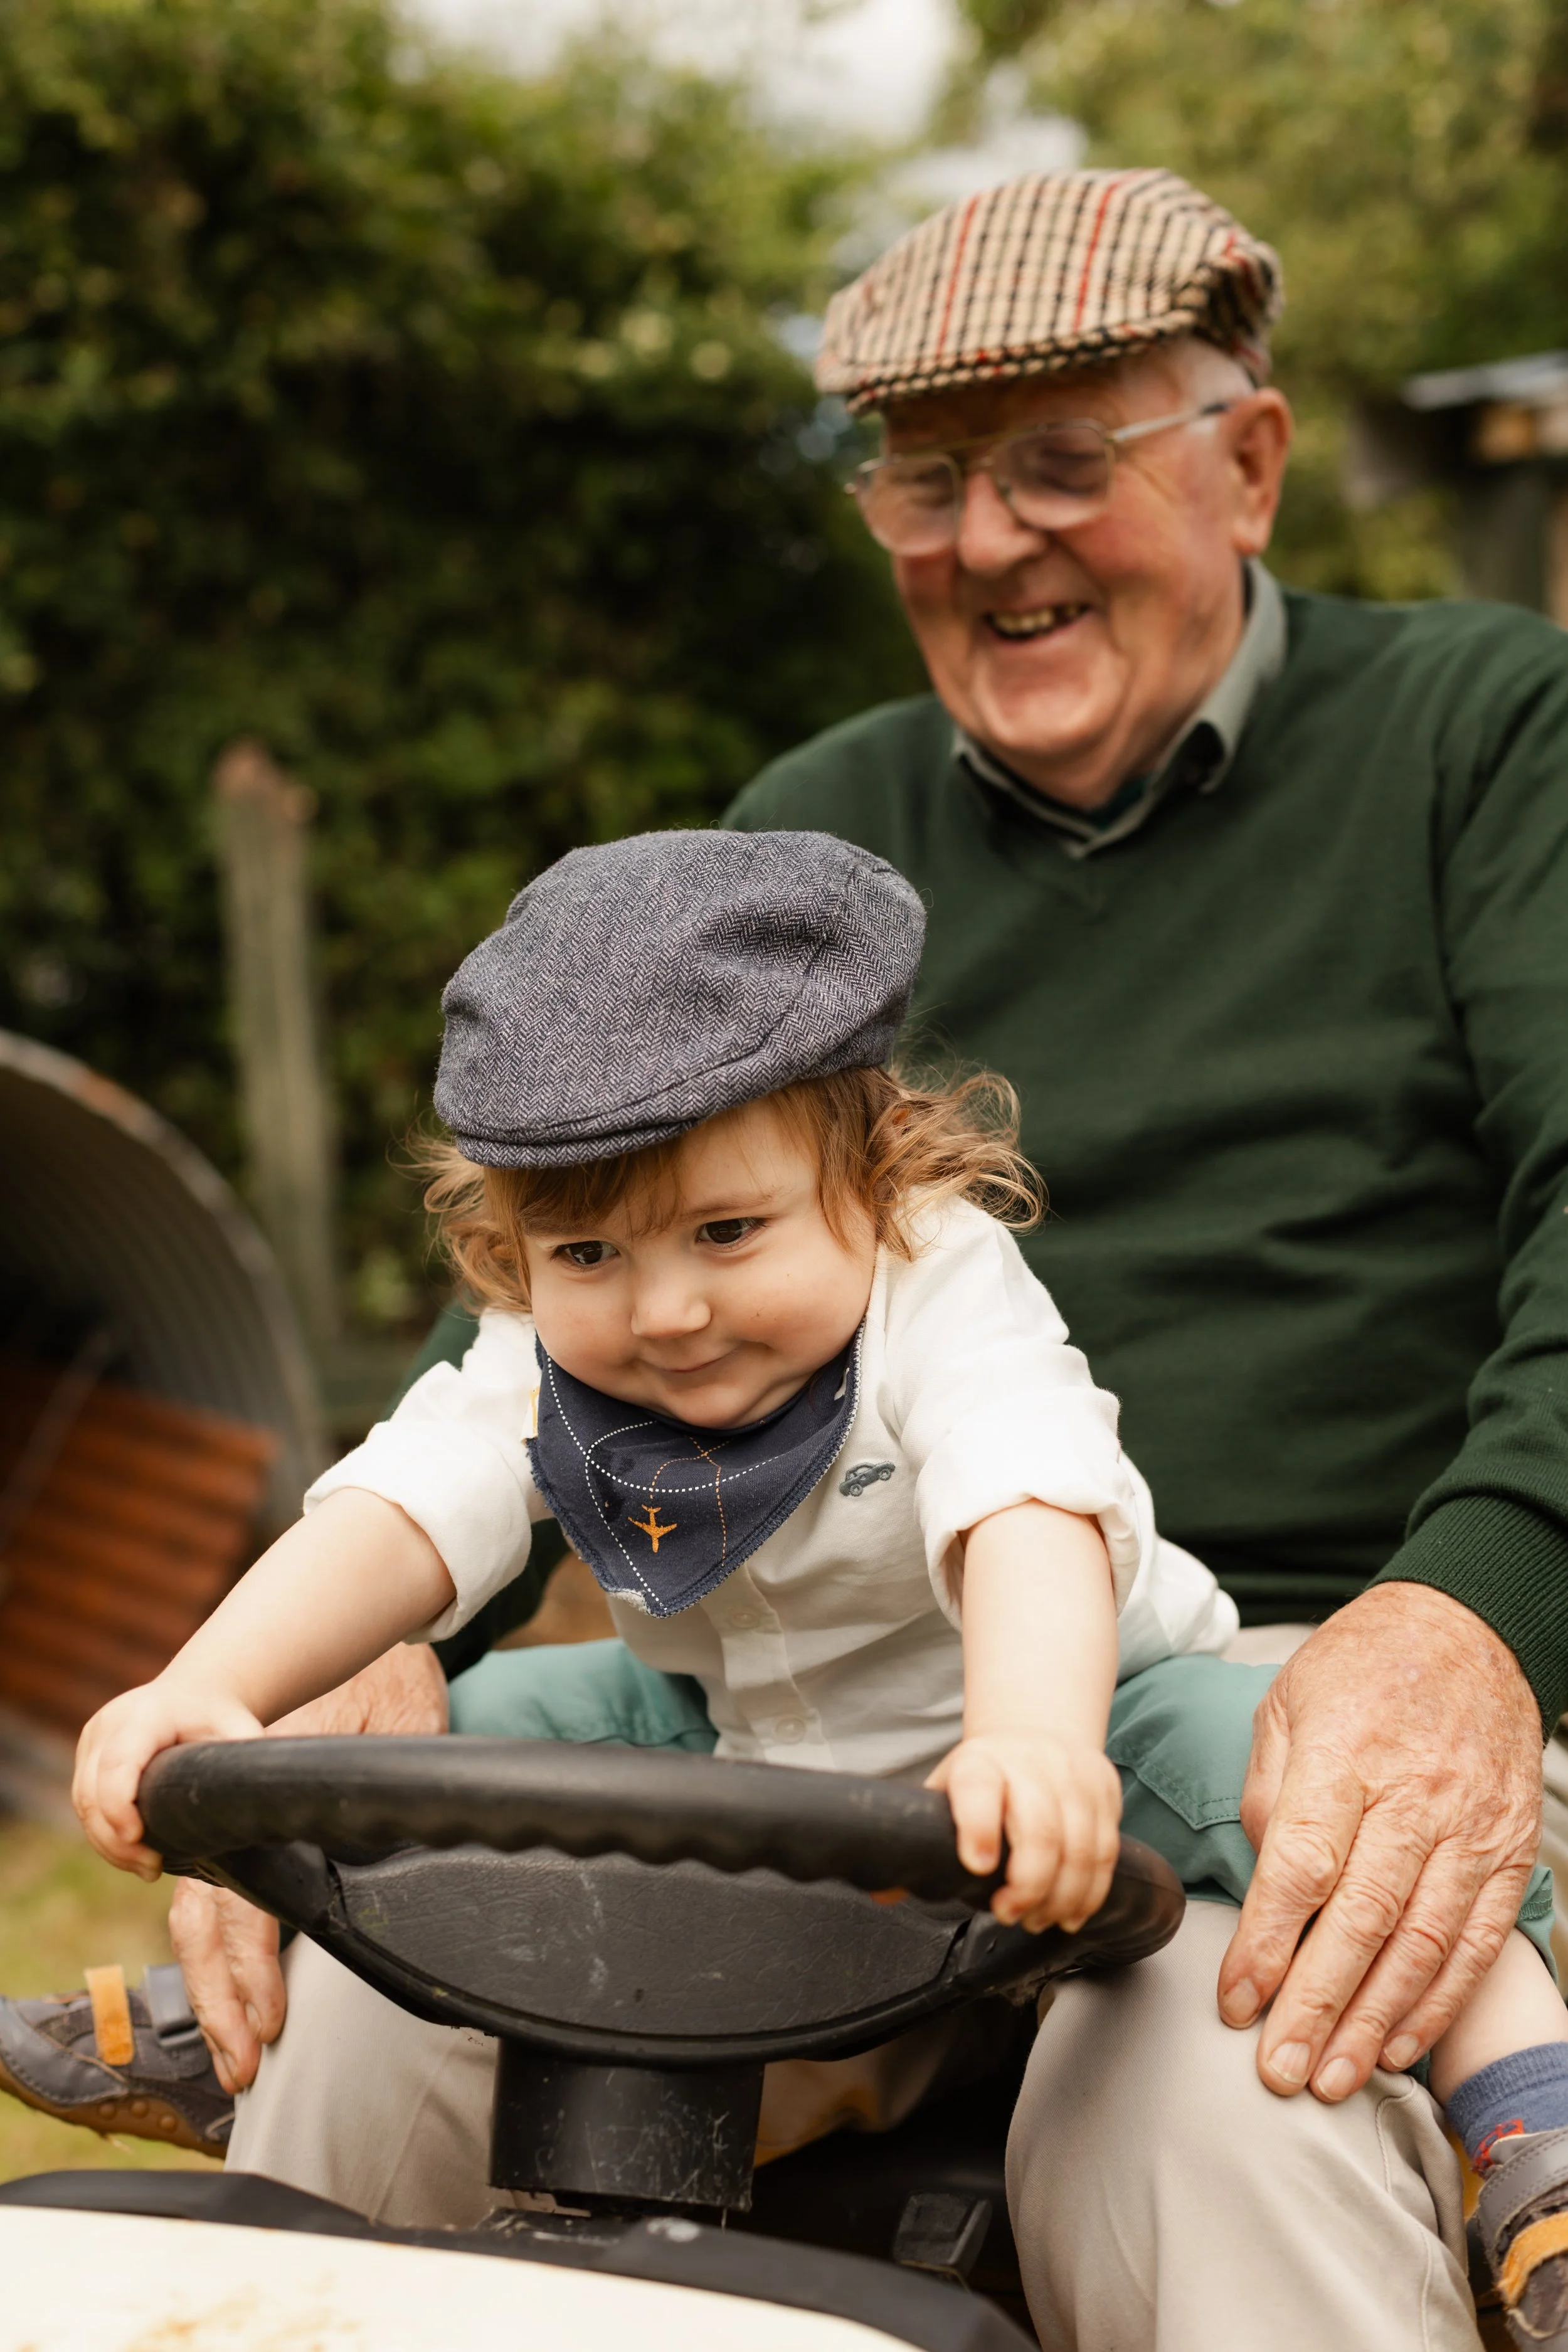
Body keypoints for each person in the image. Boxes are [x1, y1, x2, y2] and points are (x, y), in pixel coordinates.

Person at [12, 164, 1568, 2349]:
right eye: (925, 478)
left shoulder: (1495, 741)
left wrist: (1471, 1612)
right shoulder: (794, 853)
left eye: (1058, 461)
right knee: (373, 2018)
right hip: (818, 1734)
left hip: (1306, 1685)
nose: (989, 535)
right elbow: (560, 1369)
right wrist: (351, 1665)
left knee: (1233, 2093)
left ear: (1254, 458)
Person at [66, 828, 1568, 2347]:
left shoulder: (937, 1283)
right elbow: (402, 1506)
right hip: (747, 1738)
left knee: (1292, 1801)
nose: (664, 1311)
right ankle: (244, 2014)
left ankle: (1528, 2126)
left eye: (727, 1232)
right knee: (437, 1755)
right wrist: (213, 1685)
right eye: (585, 1251)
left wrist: (1030, 1739)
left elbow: (1021, 1501)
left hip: (1074, 1709)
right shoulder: (548, 1338)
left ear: (873, 1171)